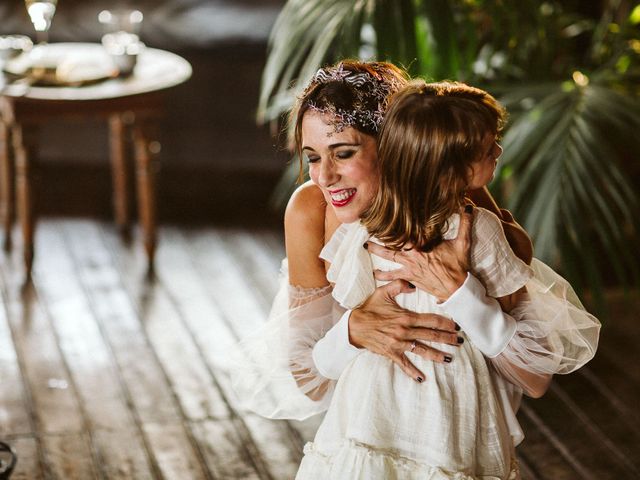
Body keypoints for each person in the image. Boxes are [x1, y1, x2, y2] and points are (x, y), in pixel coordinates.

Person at [230, 61, 597, 431]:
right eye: (312, 157)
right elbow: (308, 381)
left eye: (343, 153)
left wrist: (459, 289)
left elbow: (533, 371)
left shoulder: (456, 198)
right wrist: (352, 330)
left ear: (395, 147)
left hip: (462, 422)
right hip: (367, 425)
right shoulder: (310, 208)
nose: (325, 175)